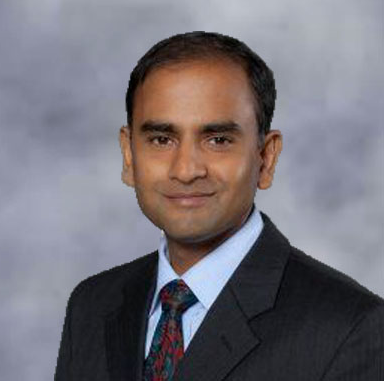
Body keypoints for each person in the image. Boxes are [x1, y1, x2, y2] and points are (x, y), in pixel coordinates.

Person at [54, 31, 383, 381]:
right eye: (161, 139)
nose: (186, 170)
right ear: (129, 155)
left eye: (218, 140)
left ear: (266, 158)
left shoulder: (350, 328)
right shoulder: (91, 306)